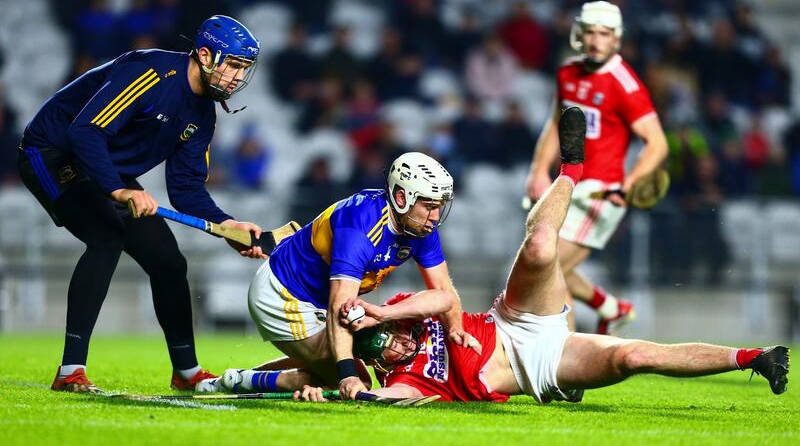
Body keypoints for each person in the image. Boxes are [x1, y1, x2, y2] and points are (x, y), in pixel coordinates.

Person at [296, 107, 790, 403]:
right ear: (381, 366)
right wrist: (336, 389)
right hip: (543, 363)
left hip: (514, 316)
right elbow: (385, 399)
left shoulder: (403, 316)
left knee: (537, 246)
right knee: (634, 355)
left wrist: (383, 312)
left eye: (390, 338)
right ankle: (753, 357)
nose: (400, 346)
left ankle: (572, 167)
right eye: (388, 352)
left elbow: (445, 301)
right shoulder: (409, 382)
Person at [16, 15, 265, 393]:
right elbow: (84, 131)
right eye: (232, 64)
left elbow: (185, 189)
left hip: (104, 168)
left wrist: (226, 224)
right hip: (52, 151)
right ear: (204, 54)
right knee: (107, 236)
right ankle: (70, 372)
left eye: (242, 69)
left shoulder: (204, 115)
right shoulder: (150, 72)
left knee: (168, 261)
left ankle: (187, 373)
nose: (236, 77)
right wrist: (120, 191)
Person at [237, 152, 481, 400]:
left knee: (334, 359)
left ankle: (241, 378)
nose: (436, 217)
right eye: (429, 207)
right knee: (357, 378)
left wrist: (455, 329)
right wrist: (346, 374)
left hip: (320, 297)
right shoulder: (360, 225)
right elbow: (339, 305)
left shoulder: (421, 228)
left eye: (439, 206)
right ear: (401, 198)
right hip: (284, 295)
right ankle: (240, 381)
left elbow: (442, 288)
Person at [523, 1, 668, 334]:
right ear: (579, 33)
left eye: (604, 34)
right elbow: (555, 125)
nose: (595, 40)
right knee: (552, 264)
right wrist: (537, 171)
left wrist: (629, 184)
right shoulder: (567, 72)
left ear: (616, 39)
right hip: (567, 183)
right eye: (590, 32)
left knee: (548, 265)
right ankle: (610, 309)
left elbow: (657, 142)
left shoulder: (624, 84)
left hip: (603, 191)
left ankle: (566, 358)